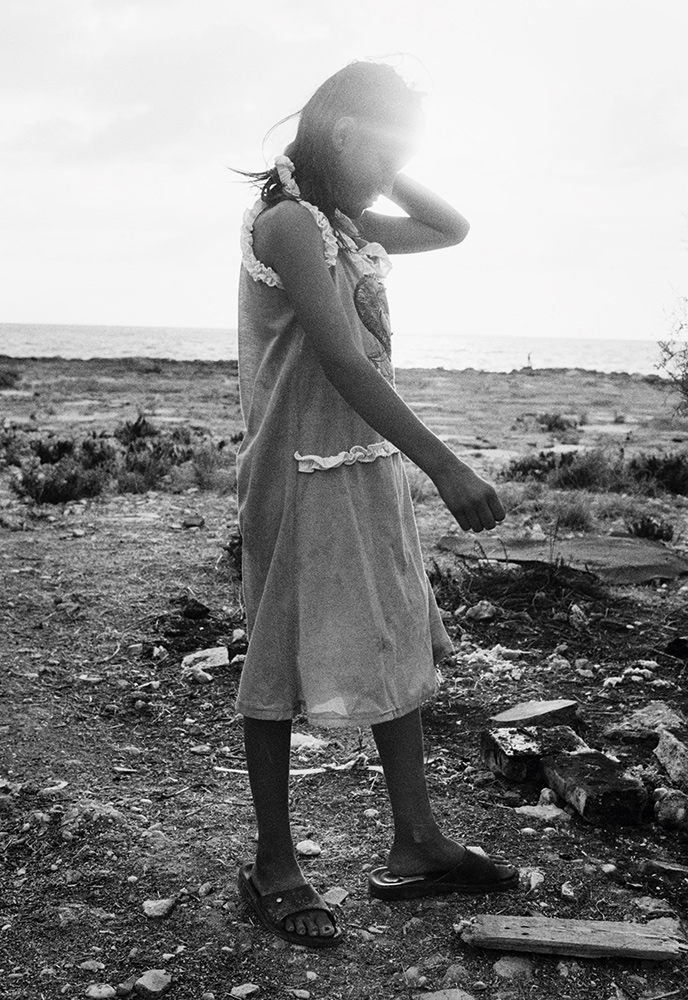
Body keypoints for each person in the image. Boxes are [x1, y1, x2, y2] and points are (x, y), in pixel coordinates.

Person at [235, 60, 518, 949]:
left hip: (360, 460)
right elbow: (343, 363)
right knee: (280, 654)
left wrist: (389, 161)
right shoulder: (286, 225)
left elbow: (452, 225)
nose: (387, 173)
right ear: (346, 135)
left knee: (394, 628)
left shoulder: (344, 222)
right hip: (298, 465)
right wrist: (446, 467)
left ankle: (418, 842)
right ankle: (273, 865)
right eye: (381, 151)